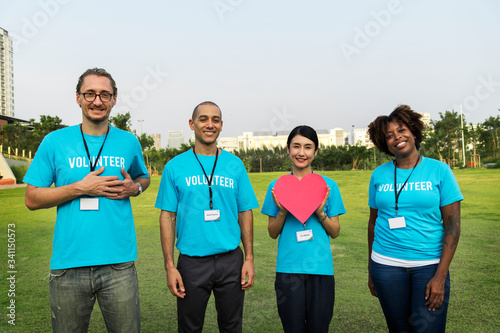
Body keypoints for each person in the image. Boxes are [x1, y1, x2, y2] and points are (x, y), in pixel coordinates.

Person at [24, 68, 150, 333]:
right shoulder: (54, 141)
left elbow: (143, 178)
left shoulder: (128, 141)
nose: (97, 101)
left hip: (119, 265)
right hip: (69, 265)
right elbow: (32, 198)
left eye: (105, 94)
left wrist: (135, 188)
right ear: (78, 98)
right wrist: (80, 188)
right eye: (90, 93)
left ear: (114, 99)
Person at [155, 101, 259, 333]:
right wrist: (170, 266)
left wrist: (249, 258)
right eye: (203, 119)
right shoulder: (175, 166)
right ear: (192, 124)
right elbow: (167, 217)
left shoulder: (235, 165)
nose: (209, 124)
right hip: (192, 263)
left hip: (231, 260)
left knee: (232, 326)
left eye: (215, 120)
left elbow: (245, 212)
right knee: (190, 327)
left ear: (221, 125)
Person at [367, 105, 463, 333]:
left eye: (401, 130)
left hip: (428, 266)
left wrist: (440, 276)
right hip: (386, 265)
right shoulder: (378, 174)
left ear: (414, 131)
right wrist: (371, 269)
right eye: (389, 135)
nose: (397, 137)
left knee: (428, 329)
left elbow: (453, 226)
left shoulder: (439, 170)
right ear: (384, 142)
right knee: (399, 329)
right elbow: (373, 223)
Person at [261, 125, 346, 333]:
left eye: (308, 147)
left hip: (321, 269)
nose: (301, 152)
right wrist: (282, 211)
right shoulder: (277, 186)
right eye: (296, 146)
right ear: (288, 149)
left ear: (315, 152)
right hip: (288, 269)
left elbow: (335, 231)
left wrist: (320, 212)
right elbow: (272, 233)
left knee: (319, 328)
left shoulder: (329, 186)